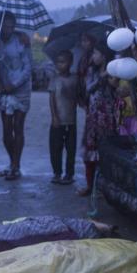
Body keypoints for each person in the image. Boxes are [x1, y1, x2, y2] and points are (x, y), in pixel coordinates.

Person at [0, 11, 32, 181]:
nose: (8, 29)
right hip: (4, 89)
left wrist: (14, 85)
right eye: (5, 26)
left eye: (11, 26)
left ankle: (16, 166)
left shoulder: (22, 42)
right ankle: (12, 162)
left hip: (21, 89)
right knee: (6, 130)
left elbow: (27, 69)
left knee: (18, 126)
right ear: (0, 26)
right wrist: (1, 84)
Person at [78, 47, 118, 197]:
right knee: (90, 151)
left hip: (108, 118)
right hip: (93, 117)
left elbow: (115, 88)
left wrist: (109, 75)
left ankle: (107, 186)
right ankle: (90, 185)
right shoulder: (92, 71)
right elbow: (89, 88)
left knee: (107, 151)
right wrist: (103, 76)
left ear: (104, 55)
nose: (93, 56)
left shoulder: (114, 71)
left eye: (96, 53)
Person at [48, 50, 79, 185]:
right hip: (58, 120)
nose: (60, 65)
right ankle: (57, 172)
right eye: (58, 62)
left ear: (70, 63)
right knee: (55, 148)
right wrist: (54, 116)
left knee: (71, 149)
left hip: (71, 120)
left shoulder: (75, 79)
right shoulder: (55, 79)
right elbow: (52, 99)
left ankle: (69, 174)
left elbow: (78, 96)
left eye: (63, 62)